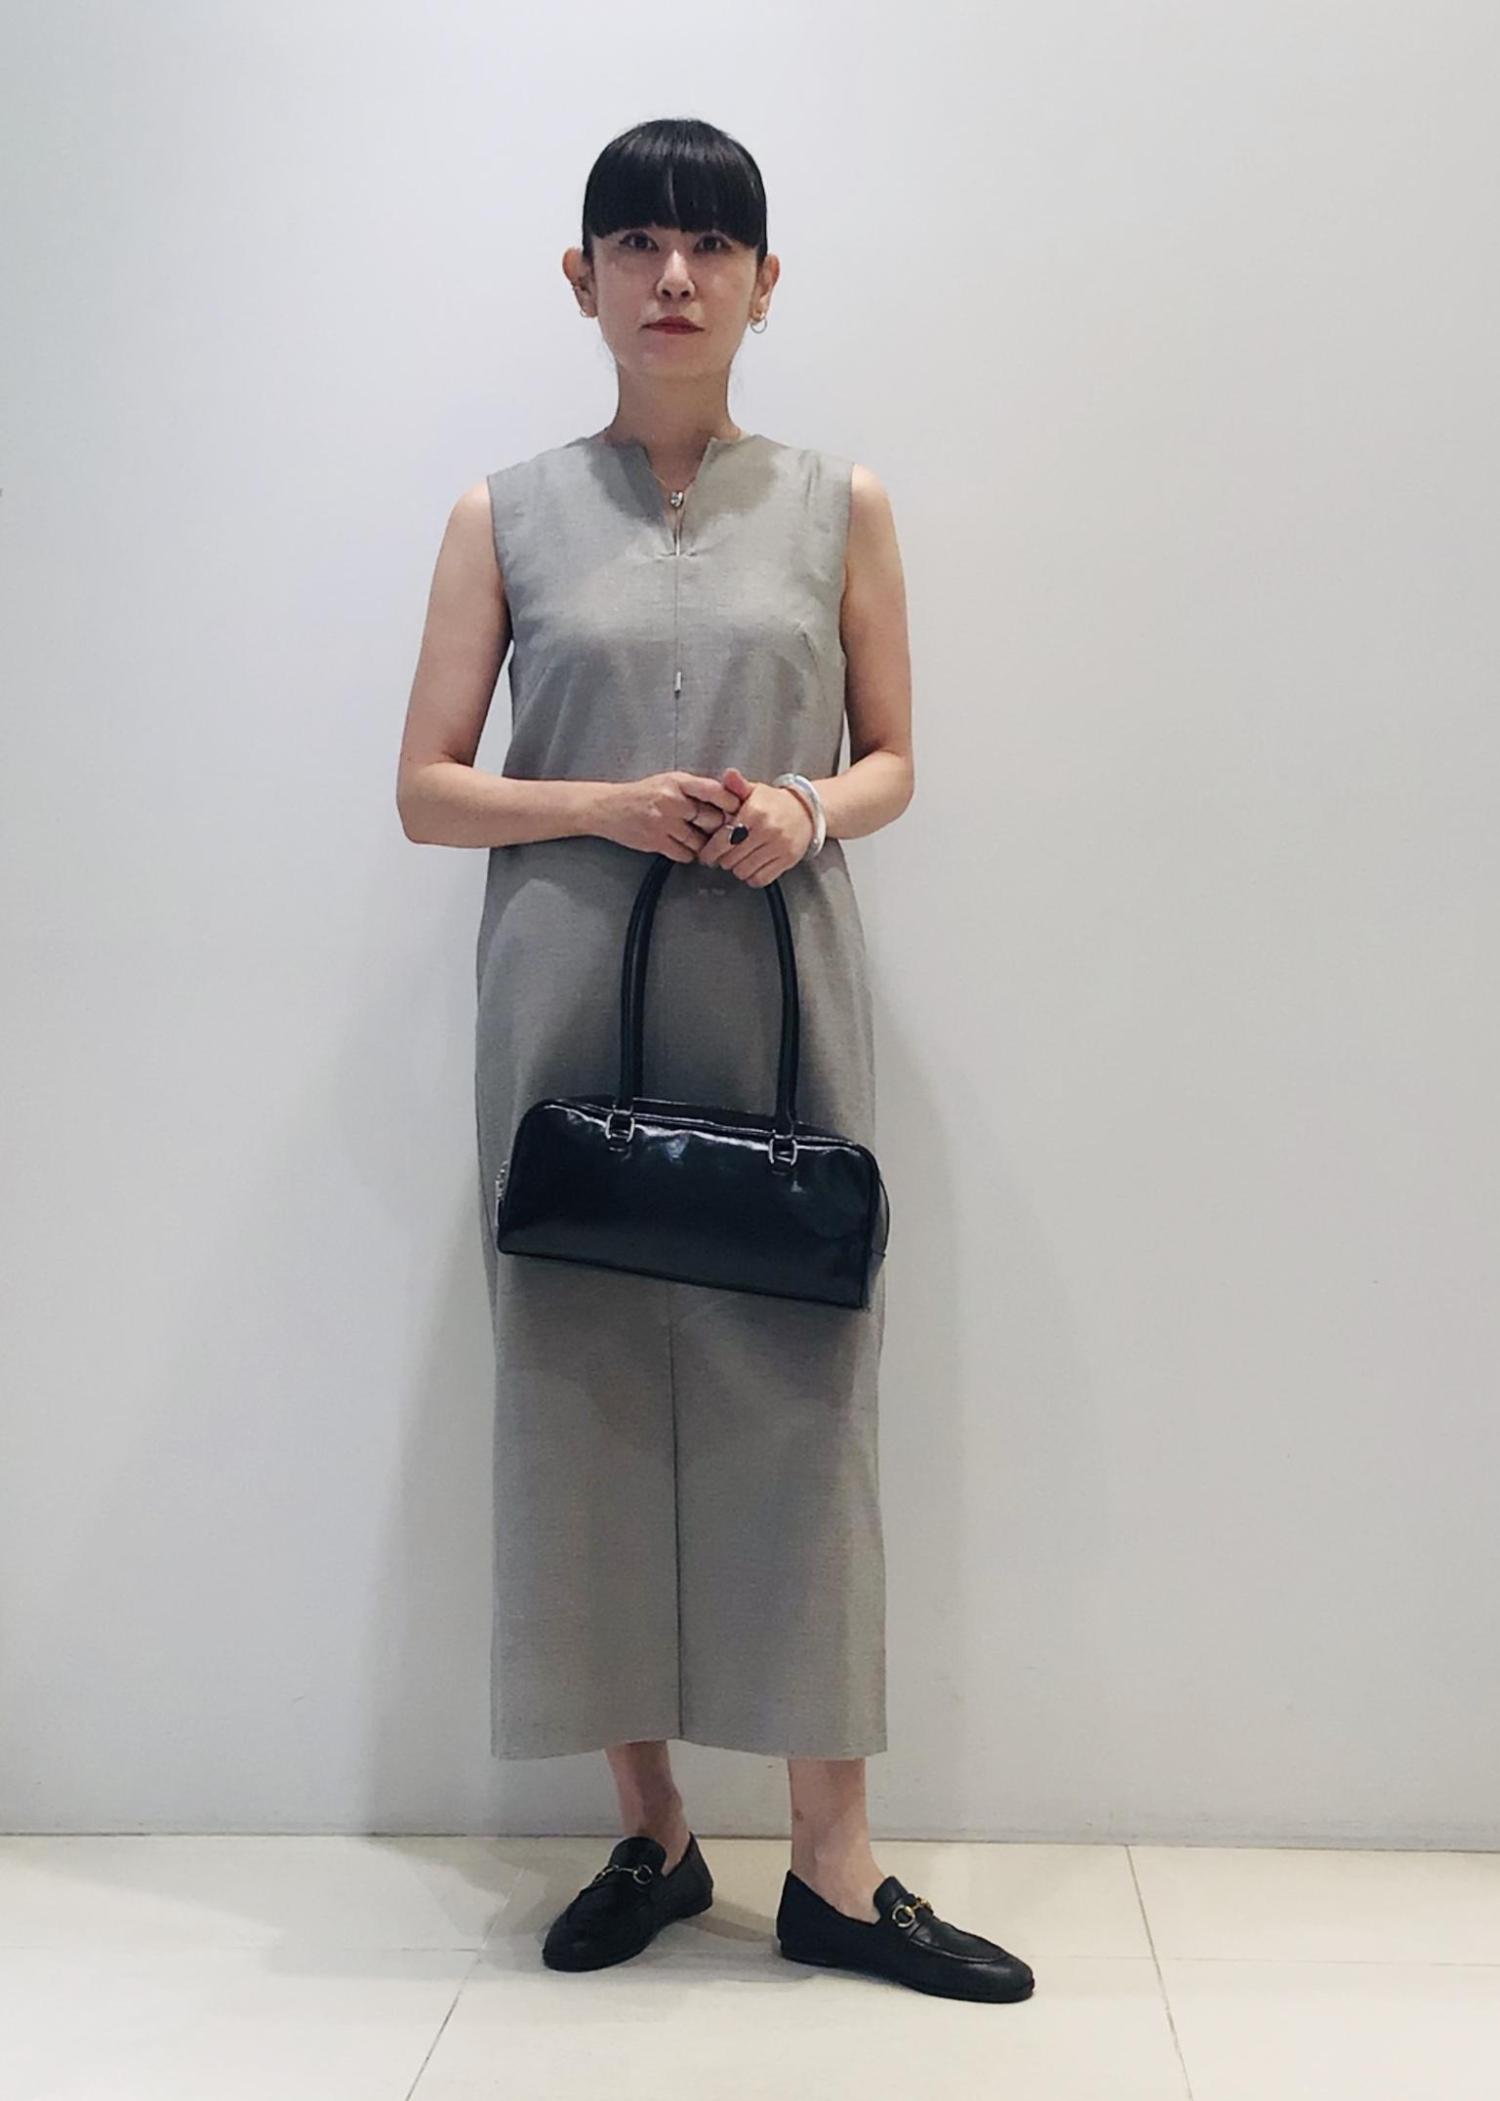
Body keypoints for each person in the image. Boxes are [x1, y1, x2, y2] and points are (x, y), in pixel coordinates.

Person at [396, 116, 1033, 2004]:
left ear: (765, 283)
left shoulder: (842, 506)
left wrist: (809, 811)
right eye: (637, 242)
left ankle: (834, 1863)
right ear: (580, 277)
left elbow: (895, 755)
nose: (673, 276)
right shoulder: (501, 515)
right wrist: (604, 800)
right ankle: (656, 1833)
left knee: (803, 1380)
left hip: (775, 983)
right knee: (582, 1378)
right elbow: (428, 788)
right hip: (564, 986)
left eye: (711, 245)